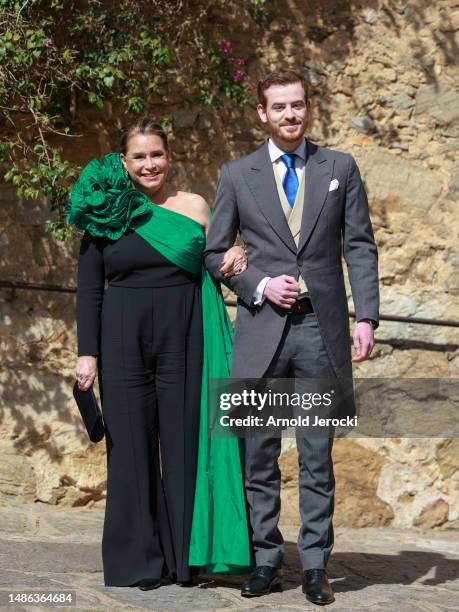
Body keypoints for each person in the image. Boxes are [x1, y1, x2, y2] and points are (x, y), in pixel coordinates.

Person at [204, 70, 379, 605]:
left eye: (297, 105)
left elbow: (360, 247)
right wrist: (256, 283)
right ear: (262, 112)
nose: (289, 115)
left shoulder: (340, 168)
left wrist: (366, 317)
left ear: (309, 107)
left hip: (321, 332)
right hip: (260, 333)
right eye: (278, 107)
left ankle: (316, 567)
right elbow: (214, 255)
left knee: (316, 455)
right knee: (258, 454)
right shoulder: (237, 175)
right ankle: (264, 559)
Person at [67, 119, 251, 589]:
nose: (150, 164)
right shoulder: (105, 210)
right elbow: (90, 290)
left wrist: (238, 256)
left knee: (184, 444)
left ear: (170, 157)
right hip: (121, 339)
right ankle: (138, 562)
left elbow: (216, 263)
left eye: (157, 155)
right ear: (124, 162)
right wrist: (87, 354)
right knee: (129, 447)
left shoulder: (194, 207)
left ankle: (183, 561)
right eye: (140, 156)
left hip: (186, 337)